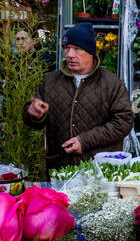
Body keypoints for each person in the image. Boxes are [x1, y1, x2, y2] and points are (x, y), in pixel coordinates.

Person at [25, 23, 133, 176]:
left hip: (100, 170)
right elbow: (33, 121)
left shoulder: (111, 83)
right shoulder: (50, 82)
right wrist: (34, 114)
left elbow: (123, 122)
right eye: (67, 48)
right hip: (60, 170)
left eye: (77, 49)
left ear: (90, 53)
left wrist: (85, 141)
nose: (69, 54)